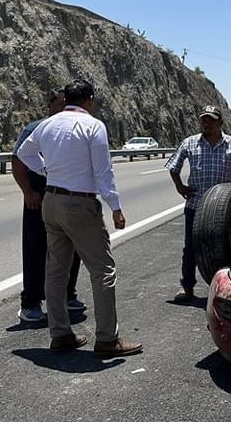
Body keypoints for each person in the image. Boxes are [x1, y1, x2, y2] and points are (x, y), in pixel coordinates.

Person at [17, 79, 142, 355]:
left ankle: (60, 334)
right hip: (79, 204)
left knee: (56, 270)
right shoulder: (93, 125)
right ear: (90, 100)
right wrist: (116, 207)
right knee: (102, 270)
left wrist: (47, 171)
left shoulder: (47, 124)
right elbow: (103, 171)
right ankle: (108, 339)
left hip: (52, 201)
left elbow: (23, 153)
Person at [12, 88, 85, 322]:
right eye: (60, 103)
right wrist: (28, 192)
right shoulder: (35, 129)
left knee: (72, 249)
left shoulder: (76, 129)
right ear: (50, 105)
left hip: (69, 199)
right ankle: (30, 303)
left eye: (68, 103)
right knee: (37, 251)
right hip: (39, 199)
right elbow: (18, 160)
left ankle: (67, 294)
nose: (65, 107)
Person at [165, 105, 231, 302]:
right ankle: (187, 288)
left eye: (211, 120)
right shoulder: (190, 143)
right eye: (204, 119)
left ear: (220, 123)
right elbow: (173, 166)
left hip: (223, 210)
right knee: (191, 248)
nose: (207, 123)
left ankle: (228, 289)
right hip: (196, 206)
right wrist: (180, 187)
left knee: (226, 246)